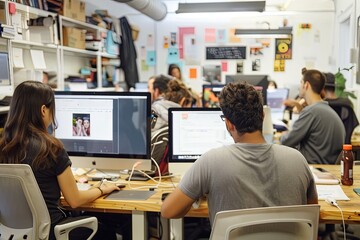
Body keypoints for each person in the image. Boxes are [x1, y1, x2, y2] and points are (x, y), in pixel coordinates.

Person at [161, 81, 318, 226]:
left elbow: (168, 211)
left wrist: (196, 192)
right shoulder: (297, 160)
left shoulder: (211, 161)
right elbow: (311, 215)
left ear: (229, 124)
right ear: (262, 116)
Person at [0, 81, 120, 240]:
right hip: (53, 231)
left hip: (13, 233)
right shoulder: (50, 148)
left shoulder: (4, 147)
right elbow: (75, 200)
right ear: (43, 110)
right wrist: (102, 189)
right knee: (107, 231)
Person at [280, 69, 345, 164]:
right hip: (327, 169)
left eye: (301, 82)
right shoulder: (328, 111)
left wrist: (283, 135)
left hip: (312, 169)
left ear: (306, 85)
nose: (299, 87)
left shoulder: (311, 111)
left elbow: (286, 142)